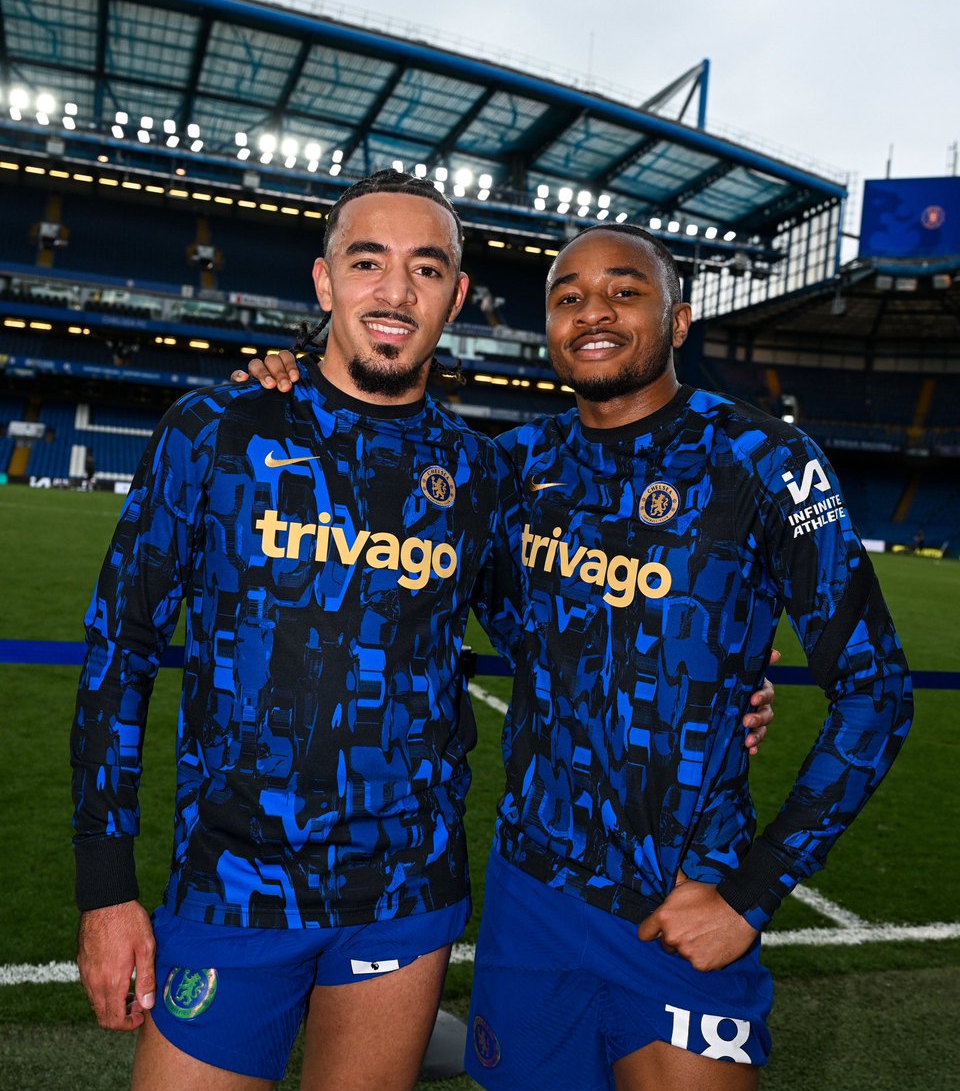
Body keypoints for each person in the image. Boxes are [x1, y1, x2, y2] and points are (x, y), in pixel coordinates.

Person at [246, 218, 912, 1090]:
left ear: (677, 321)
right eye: (569, 297)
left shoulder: (763, 460)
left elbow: (877, 693)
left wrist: (752, 896)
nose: (593, 311)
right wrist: (285, 379)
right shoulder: (510, 469)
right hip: (531, 900)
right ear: (550, 327)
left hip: (677, 904)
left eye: (625, 291)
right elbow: (454, 596)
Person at [71, 170, 532, 1091]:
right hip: (232, 884)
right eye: (368, 263)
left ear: (458, 297)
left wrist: (728, 686)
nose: (395, 293)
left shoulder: (479, 474)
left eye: (426, 269)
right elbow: (119, 651)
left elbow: (552, 645)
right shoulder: (216, 430)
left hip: (404, 896)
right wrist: (105, 889)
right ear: (324, 284)